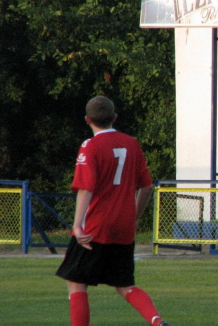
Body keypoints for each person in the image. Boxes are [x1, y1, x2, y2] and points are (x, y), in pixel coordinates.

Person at [56, 96, 169, 326]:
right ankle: (157, 321)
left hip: (96, 225)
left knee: (76, 282)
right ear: (114, 117)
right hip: (123, 226)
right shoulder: (131, 143)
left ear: (87, 119)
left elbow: (86, 188)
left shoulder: (91, 146)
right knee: (125, 285)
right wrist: (133, 217)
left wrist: (77, 225)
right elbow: (146, 187)